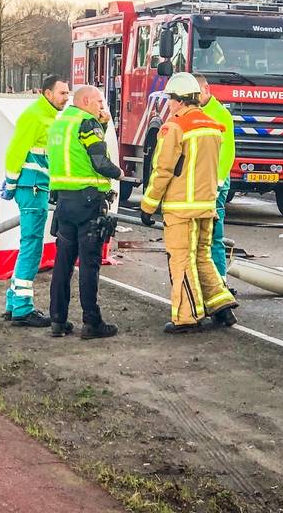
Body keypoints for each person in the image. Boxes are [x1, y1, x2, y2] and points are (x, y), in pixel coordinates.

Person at [139, 72, 237, 334]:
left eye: (171, 99)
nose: (169, 104)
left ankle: (187, 317)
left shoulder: (175, 127)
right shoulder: (212, 126)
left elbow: (162, 170)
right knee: (203, 257)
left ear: (180, 100)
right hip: (207, 205)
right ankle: (222, 306)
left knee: (181, 261)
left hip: (180, 208)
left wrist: (148, 206)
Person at [46, 85, 122, 339]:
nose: (102, 107)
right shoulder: (87, 124)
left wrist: (103, 124)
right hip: (88, 202)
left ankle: (58, 319)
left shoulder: (60, 122)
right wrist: (120, 174)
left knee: (63, 263)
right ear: (86, 101)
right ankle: (92, 321)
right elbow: (99, 161)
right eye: (100, 101)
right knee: (89, 264)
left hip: (64, 202)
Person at [0, 75, 71, 327]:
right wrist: (10, 182)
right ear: (48, 94)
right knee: (32, 246)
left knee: (29, 245)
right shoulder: (35, 117)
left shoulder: (48, 117)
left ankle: (13, 302)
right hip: (32, 189)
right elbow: (15, 151)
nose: (66, 97)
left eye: (68, 93)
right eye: (62, 93)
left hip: (35, 187)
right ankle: (22, 308)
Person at [195, 74, 235, 287]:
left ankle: (220, 283)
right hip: (199, 181)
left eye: (197, 93)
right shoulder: (194, 112)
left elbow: (227, 152)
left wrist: (218, 182)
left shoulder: (219, 114)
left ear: (207, 90)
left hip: (214, 182)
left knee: (213, 235)